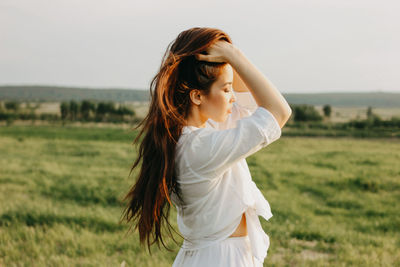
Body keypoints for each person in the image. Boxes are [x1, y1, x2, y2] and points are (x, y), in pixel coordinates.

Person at [121, 27, 292, 267]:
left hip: (216, 256)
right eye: (225, 89)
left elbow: (254, 104)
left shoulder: (199, 131)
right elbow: (278, 112)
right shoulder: (199, 148)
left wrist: (226, 58)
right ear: (197, 96)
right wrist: (235, 56)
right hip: (221, 259)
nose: (232, 97)